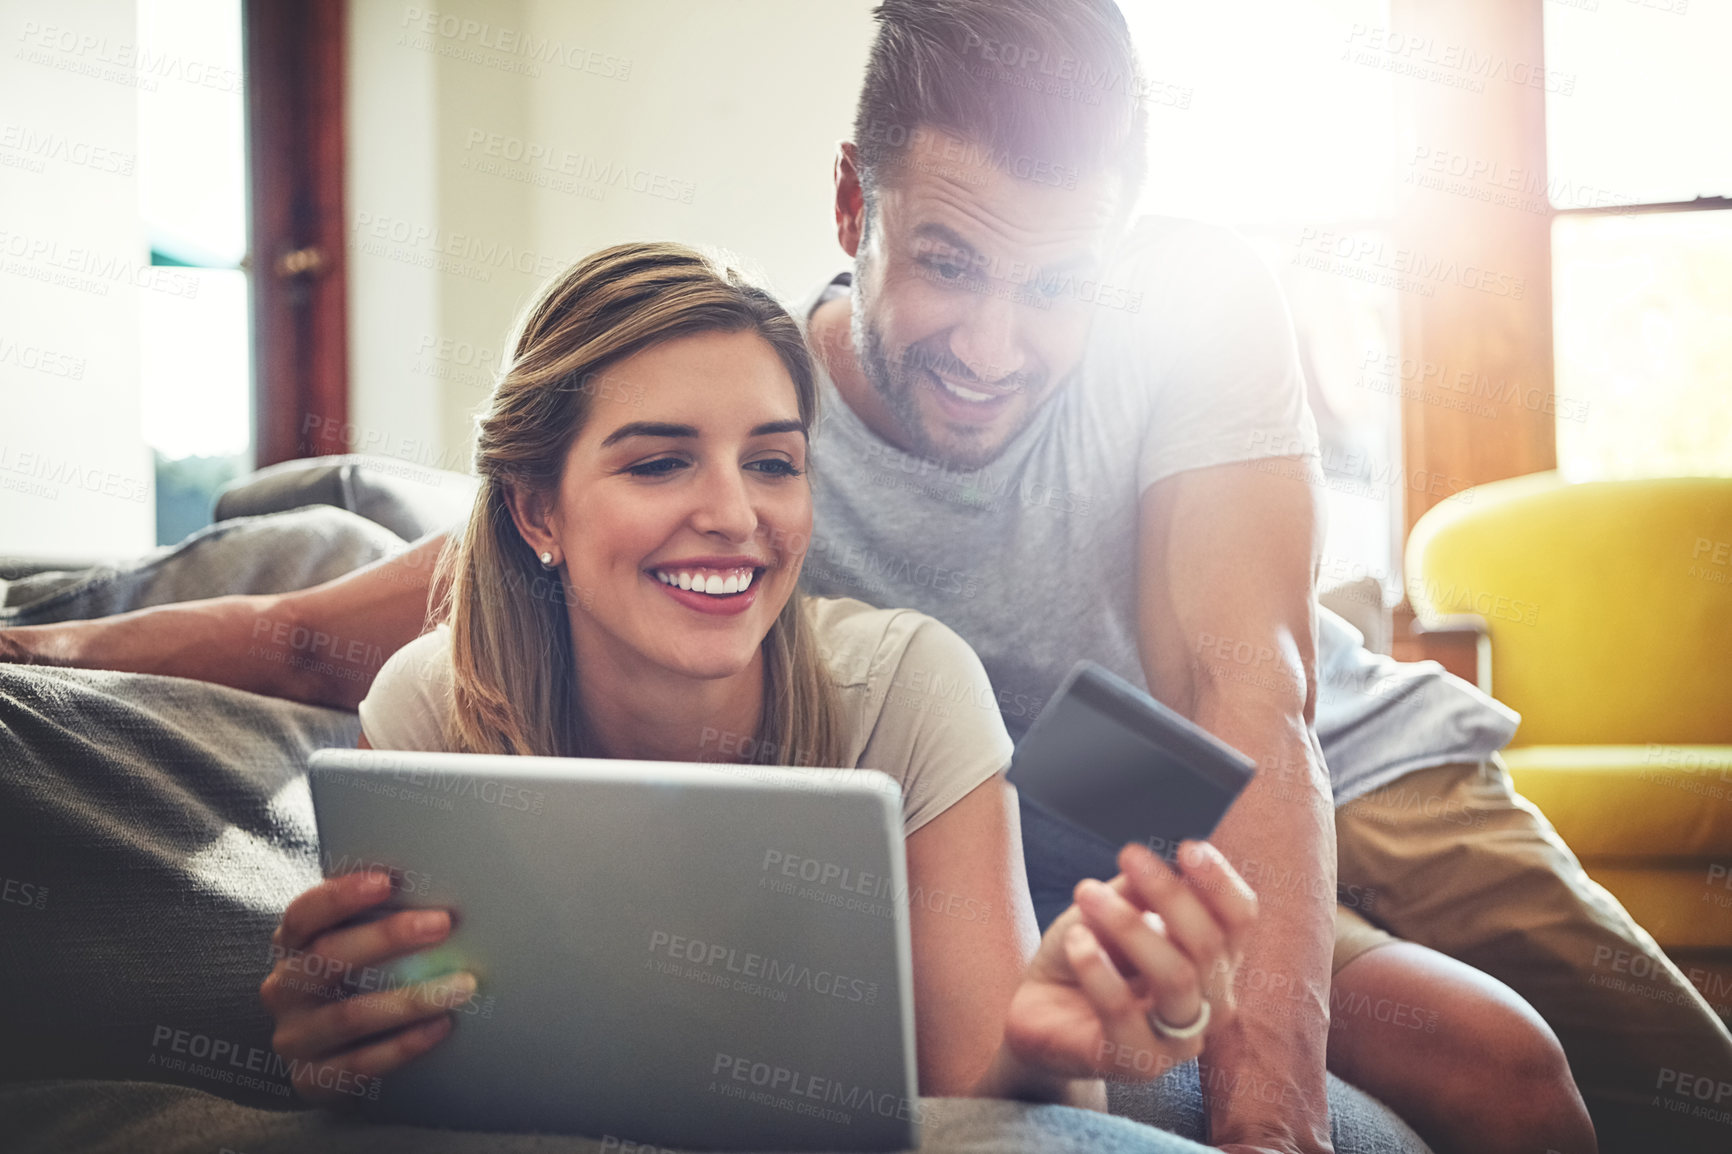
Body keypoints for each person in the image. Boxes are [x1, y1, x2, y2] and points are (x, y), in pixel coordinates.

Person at [3, 0, 1723, 1149]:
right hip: (1051, 819)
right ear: (852, 202)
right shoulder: (736, 417)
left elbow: (1242, 685)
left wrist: (1261, 1126)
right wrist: (39, 635)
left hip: (1313, 757)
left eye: (1058, 286)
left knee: (1646, 1073)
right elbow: (314, 626)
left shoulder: (1197, 306)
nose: (993, 343)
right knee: (1475, 1062)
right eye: (949, 263)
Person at [258, 240, 1258, 1115]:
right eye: (659, 463)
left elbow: (994, 1106)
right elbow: (407, 1060)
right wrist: (342, 1063)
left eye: (773, 463)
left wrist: (1042, 1061)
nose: (737, 515)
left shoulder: (912, 690)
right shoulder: (428, 708)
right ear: (536, 512)